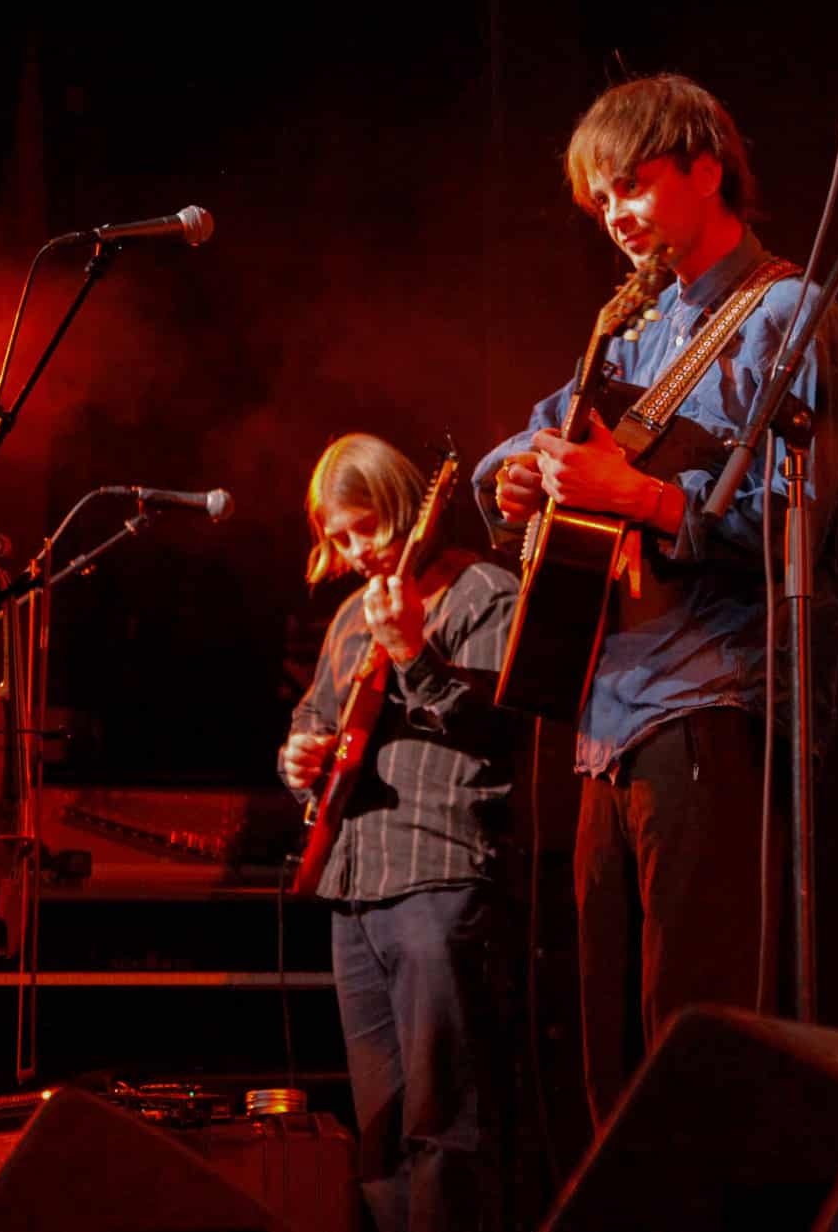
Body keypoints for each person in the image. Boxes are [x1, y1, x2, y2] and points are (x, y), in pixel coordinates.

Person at [473, 74, 838, 1125]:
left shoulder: (786, 312)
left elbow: (797, 524)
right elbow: (540, 429)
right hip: (609, 718)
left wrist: (635, 494)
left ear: (705, 168)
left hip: (713, 702)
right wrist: (515, 476)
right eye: (601, 201)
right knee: (610, 1045)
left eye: (632, 186)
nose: (617, 215)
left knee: (693, 1028)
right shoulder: (633, 326)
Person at [280, 433, 521, 1232]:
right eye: (340, 537)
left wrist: (413, 650)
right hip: (354, 891)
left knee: (446, 1123)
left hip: (439, 882)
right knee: (380, 1136)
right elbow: (313, 721)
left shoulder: (483, 591)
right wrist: (299, 755)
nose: (356, 552)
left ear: (405, 508)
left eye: (366, 529)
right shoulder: (350, 615)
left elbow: (504, 726)